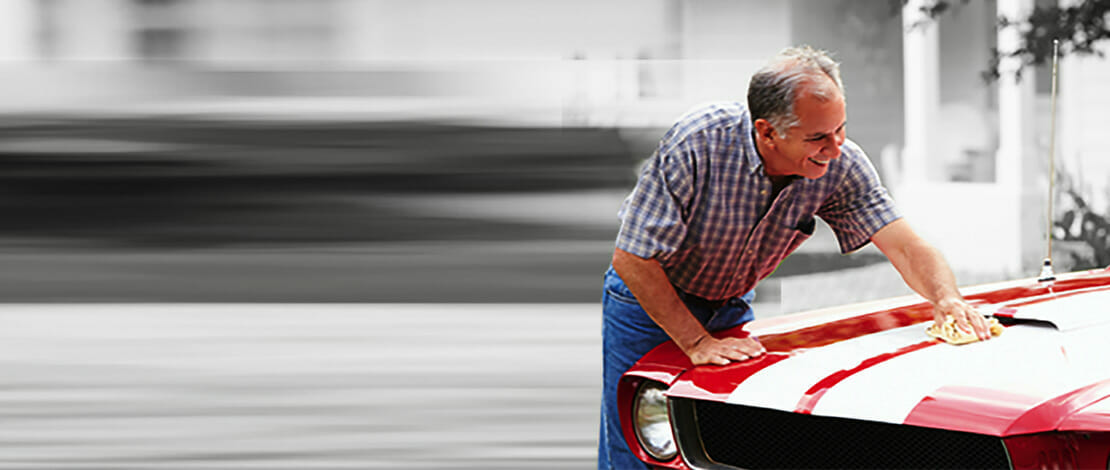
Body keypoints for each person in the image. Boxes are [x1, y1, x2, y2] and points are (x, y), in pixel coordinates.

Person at [597, 45, 993, 469]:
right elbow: (633, 258)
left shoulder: (842, 164)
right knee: (642, 443)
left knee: (716, 443)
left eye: (840, 129)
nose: (836, 147)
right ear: (767, 132)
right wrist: (695, 341)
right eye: (818, 137)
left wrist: (946, 299)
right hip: (645, 303)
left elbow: (906, 246)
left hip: (730, 305)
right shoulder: (698, 141)